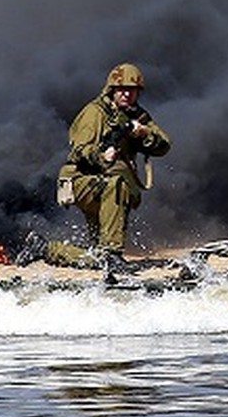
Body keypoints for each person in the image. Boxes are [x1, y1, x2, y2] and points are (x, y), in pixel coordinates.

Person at [28, 62, 172, 273]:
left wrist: (143, 134)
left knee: (97, 258)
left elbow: (164, 146)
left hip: (106, 189)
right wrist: (100, 155)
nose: (126, 94)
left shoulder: (137, 116)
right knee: (118, 186)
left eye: (132, 90)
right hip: (83, 182)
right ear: (112, 89)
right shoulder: (95, 113)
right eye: (122, 89)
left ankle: (45, 249)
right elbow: (78, 151)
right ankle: (113, 254)